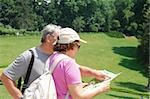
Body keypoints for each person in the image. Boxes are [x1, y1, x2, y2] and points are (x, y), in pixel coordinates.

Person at [0, 24, 108, 99]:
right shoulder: (29, 56)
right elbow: (6, 77)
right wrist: (20, 98)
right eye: (58, 38)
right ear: (48, 38)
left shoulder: (55, 56)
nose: (59, 41)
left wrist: (95, 73)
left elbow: (75, 69)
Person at [49, 27, 110, 99]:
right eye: (78, 46)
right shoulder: (69, 63)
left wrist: (95, 73)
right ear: (72, 45)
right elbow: (78, 97)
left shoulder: (53, 57)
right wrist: (101, 88)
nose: (78, 50)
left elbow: (78, 70)